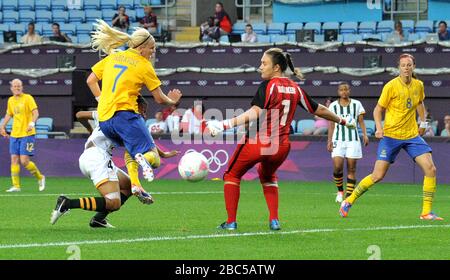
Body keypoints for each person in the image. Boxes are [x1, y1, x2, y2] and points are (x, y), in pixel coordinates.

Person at [206, 48, 356, 231]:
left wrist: (224, 125)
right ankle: (274, 220)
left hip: (259, 141)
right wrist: (342, 120)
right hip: (282, 147)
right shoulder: (295, 88)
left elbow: (255, 112)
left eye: (264, 63)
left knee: (232, 175)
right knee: (268, 175)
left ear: (276, 67)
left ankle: (230, 222)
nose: (260, 67)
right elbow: (318, 110)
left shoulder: (268, 85)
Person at [340, 53, 443, 221]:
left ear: (413, 67)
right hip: (391, 136)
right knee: (377, 176)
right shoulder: (391, 86)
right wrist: (379, 128)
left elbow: (420, 103)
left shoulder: (418, 85)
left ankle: (426, 212)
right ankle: (348, 201)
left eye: (409, 65)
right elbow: (377, 110)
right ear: (399, 68)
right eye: (403, 65)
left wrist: (423, 123)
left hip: (411, 136)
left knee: (431, 169)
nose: (406, 68)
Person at [88, 19, 181, 186]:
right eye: (151, 48)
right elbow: (159, 98)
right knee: (154, 160)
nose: (153, 51)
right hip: (125, 115)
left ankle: (136, 185)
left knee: (131, 148)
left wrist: (101, 100)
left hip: (105, 121)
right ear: (141, 48)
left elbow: (90, 80)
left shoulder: (114, 57)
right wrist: (172, 101)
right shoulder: (144, 65)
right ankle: (144, 159)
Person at [0, 79, 46, 193]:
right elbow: (9, 114)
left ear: (22, 87)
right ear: (11, 88)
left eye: (19, 86)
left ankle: (40, 177)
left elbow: (36, 113)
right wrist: (2, 126)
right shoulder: (10, 100)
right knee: (14, 159)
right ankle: (16, 186)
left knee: (24, 161)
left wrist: (32, 123)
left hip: (27, 133)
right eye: (15, 86)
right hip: (15, 134)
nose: (17, 88)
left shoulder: (28, 98)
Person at [327, 83, 369, 203]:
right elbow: (331, 124)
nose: (344, 92)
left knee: (351, 168)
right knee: (337, 167)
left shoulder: (357, 104)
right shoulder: (333, 106)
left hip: (353, 141)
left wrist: (365, 135)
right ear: (338, 92)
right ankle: (340, 191)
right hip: (338, 140)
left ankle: (349, 197)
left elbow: (361, 121)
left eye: (346, 89)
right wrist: (329, 140)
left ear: (349, 91)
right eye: (341, 90)